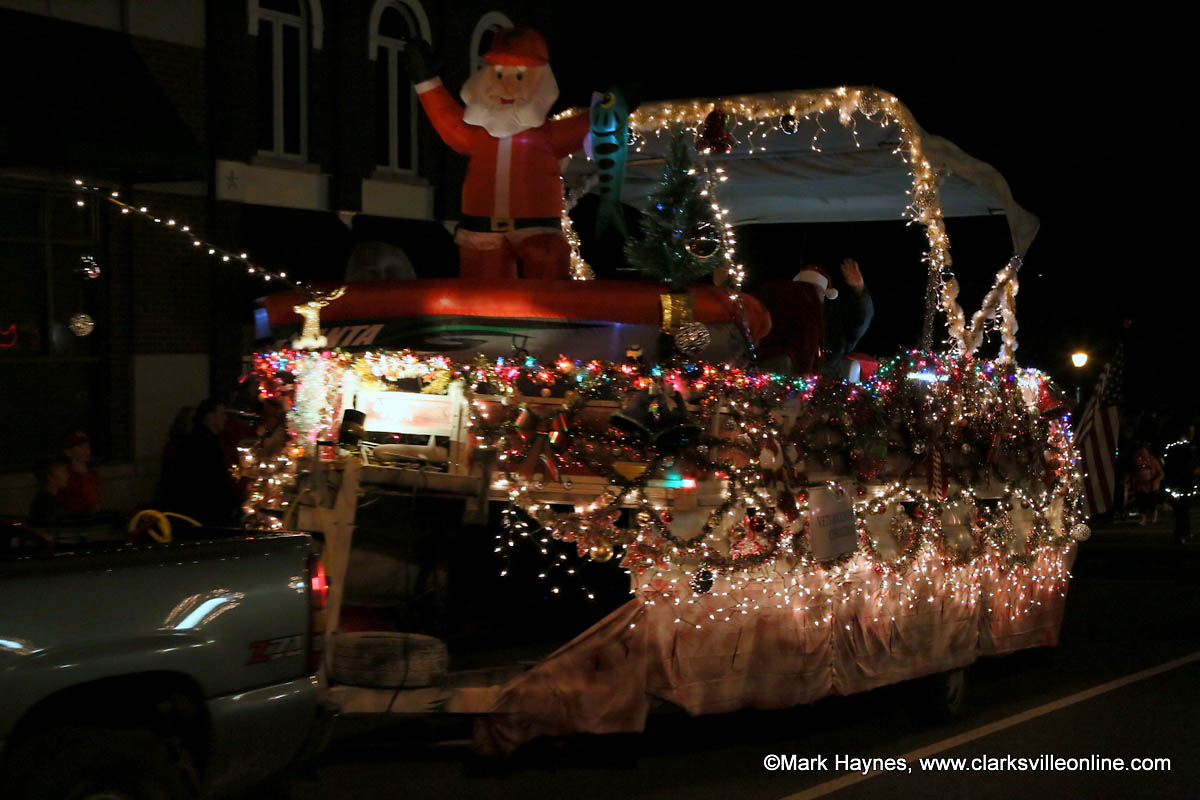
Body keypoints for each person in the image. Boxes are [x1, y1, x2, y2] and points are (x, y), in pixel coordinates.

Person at [404, 27, 593, 280]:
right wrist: (426, 81)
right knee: (485, 295)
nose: (507, 86)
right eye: (500, 74)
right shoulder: (478, 134)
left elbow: (582, 127)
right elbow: (449, 125)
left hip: (537, 231)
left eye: (519, 76)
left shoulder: (546, 136)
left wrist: (615, 109)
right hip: (482, 232)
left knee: (546, 285)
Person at [754, 258, 874, 376]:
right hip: (783, 379)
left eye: (815, 290)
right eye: (804, 289)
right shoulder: (779, 316)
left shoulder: (833, 321)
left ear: (825, 295)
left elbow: (859, 321)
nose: (810, 294)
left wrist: (859, 290)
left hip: (825, 381)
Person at [161, 398, 242, 527]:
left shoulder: (203, 440)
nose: (225, 419)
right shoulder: (203, 444)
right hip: (203, 512)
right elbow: (214, 481)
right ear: (210, 416)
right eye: (222, 414)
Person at [1162, 423, 1197, 544]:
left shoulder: (1174, 448)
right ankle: (1181, 534)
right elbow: (1186, 467)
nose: (1193, 434)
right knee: (1182, 510)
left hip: (1179, 483)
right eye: (1191, 432)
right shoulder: (1183, 449)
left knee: (1182, 510)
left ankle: (1184, 532)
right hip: (1181, 483)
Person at [59, 430, 101, 514]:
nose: (86, 450)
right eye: (81, 447)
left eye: (87, 446)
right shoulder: (64, 476)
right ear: (68, 452)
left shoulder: (93, 474)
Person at [1128, 444, 1164, 526]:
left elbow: (1161, 473)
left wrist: (1156, 480)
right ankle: (1143, 519)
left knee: (1152, 503)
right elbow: (1133, 473)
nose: (1143, 453)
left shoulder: (1153, 460)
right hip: (1140, 485)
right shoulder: (1136, 461)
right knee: (1141, 503)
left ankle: (1153, 518)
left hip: (1152, 485)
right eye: (1141, 451)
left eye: (1144, 451)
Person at [29, 458, 70, 525]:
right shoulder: (45, 503)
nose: (68, 475)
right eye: (63, 472)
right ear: (50, 477)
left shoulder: (51, 499)